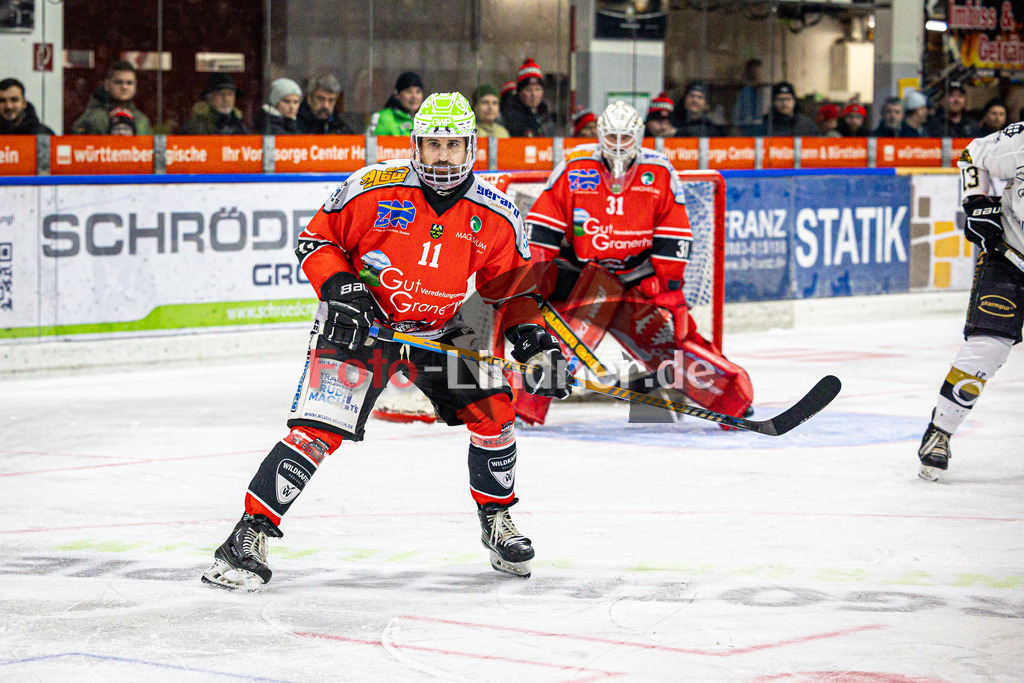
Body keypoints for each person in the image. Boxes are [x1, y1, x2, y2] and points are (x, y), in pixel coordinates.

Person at [201, 92, 573, 590]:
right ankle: (248, 535)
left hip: (439, 331)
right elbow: (316, 241)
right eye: (433, 144)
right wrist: (341, 287)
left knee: (496, 414)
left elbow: (512, 291)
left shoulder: (497, 213)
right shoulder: (371, 188)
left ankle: (497, 522)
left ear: (472, 148)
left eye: (453, 145)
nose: (442, 156)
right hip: (362, 327)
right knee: (316, 432)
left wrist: (533, 341)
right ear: (416, 144)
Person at [516, 101, 754, 426]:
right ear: (600, 134)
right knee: (561, 342)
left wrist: (667, 285)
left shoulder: (659, 171)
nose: (616, 145)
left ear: (639, 136)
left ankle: (731, 402)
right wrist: (537, 284)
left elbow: (674, 233)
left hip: (638, 281)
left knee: (668, 346)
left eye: (624, 137)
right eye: (611, 136)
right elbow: (543, 230)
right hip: (587, 281)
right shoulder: (574, 166)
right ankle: (521, 406)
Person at [917, 121, 1024, 481]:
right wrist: (978, 202)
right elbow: (971, 155)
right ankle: (940, 432)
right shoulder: (1020, 140)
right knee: (986, 347)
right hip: (1008, 255)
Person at [72, 61, 152, 135]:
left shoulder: (142, 120)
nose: (124, 87)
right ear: (107, 85)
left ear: (135, 86)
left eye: (129, 83)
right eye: (118, 82)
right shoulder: (93, 118)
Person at [179, 73, 248, 135]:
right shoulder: (194, 128)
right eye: (220, 94)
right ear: (209, 99)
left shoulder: (240, 127)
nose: (226, 99)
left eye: (230, 94)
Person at [501, 58, 555, 138]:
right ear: (519, 92)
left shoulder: (545, 113)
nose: (533, 94)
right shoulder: (510, 114)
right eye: (528, 90)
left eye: (537, 89)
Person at [749, 81, 817, 136]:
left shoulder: (807, 125)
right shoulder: (766, 125)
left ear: (794, 101)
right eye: (780, 99)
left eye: (788, 99)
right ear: (773, 102)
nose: (784, 103)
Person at [373, 71, 424, 136]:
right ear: (397, 95)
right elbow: (374, 144)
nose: (414, 96)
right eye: (409, 91)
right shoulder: (384, 118)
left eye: (418, 92)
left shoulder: (428, 119)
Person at [731, 58, 768, 132]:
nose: (756, 73)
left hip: (762, 129)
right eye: (753, 71)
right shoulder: (744, 91)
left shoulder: (765, 90)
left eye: (758, 71)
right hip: (745, 128)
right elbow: (737, 113)